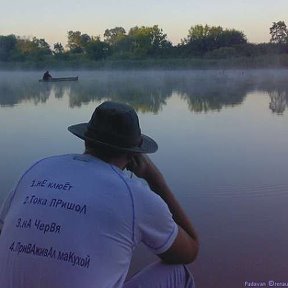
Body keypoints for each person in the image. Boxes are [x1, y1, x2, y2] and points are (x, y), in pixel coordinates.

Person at [0, 101, 199, 288]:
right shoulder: (134, 196)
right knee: (178, 273)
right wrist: (155, 179)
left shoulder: (36, 169)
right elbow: (189, 250)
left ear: (87, 140)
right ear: (133, 154)